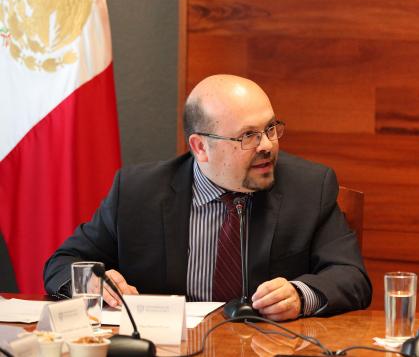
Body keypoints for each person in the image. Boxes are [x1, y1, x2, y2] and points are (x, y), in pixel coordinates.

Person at [44, 75, 371, 320]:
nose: (267, 145)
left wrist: (300, 295)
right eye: (248, 135)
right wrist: (92, 282)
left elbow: (351, 277)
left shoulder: (309, 187)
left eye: (270, 129)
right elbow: (63, 262)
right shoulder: (137, 192)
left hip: (266, 348)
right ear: (200, 147)